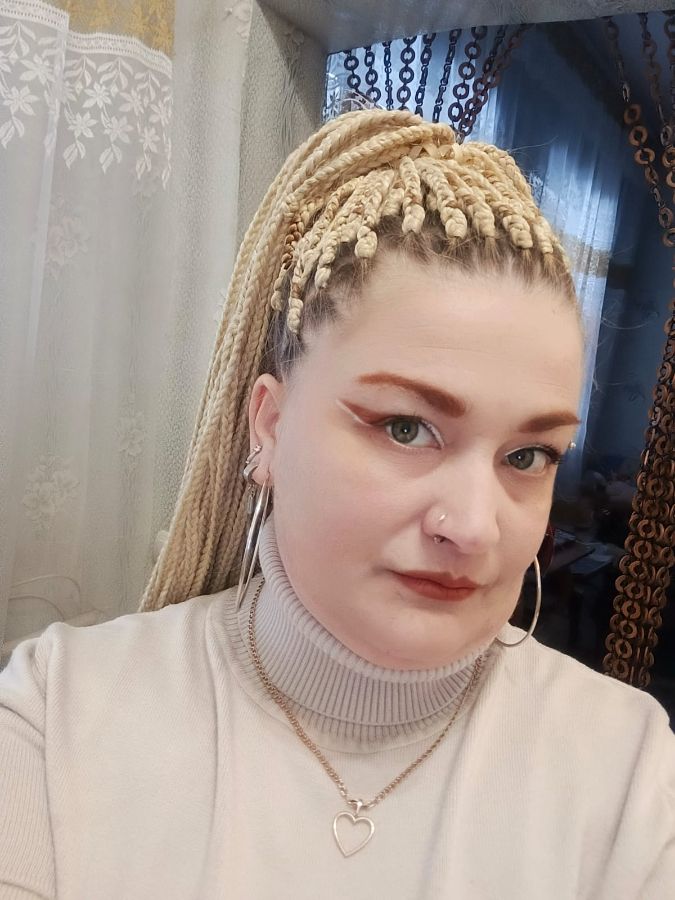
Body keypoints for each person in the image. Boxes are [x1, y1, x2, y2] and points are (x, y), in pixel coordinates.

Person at [0, 109, 673, 899]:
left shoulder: (628, 774)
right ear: (269, 426)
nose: (472, 527)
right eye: (405, 428)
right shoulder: (60, 714)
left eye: (528, 456)